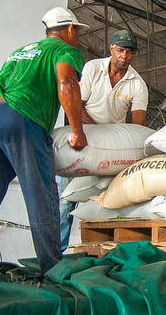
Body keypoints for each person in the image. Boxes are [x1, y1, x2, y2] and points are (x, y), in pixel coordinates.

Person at [0, 7, 89, 278]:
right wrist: (77, 131)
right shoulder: (65, 50)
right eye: (78, 30)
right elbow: (67, 82)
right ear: (69, 29)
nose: (78, 36)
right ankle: (53, 269)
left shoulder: (23, 50)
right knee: (41, 194)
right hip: (19, 117)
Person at [59, 29, 148, 252]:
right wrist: (98, 131)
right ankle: (56, 252)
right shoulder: (92, 69)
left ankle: (100, 250)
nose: (124, 56)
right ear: (111, 49)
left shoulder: (137, 84)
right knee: (65, 201)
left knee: (106, 199)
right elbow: (77, 105)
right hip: (82, 139)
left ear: (134, 54)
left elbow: (138, 128)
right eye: (120, 51)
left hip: (111, 148)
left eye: (129, 52)